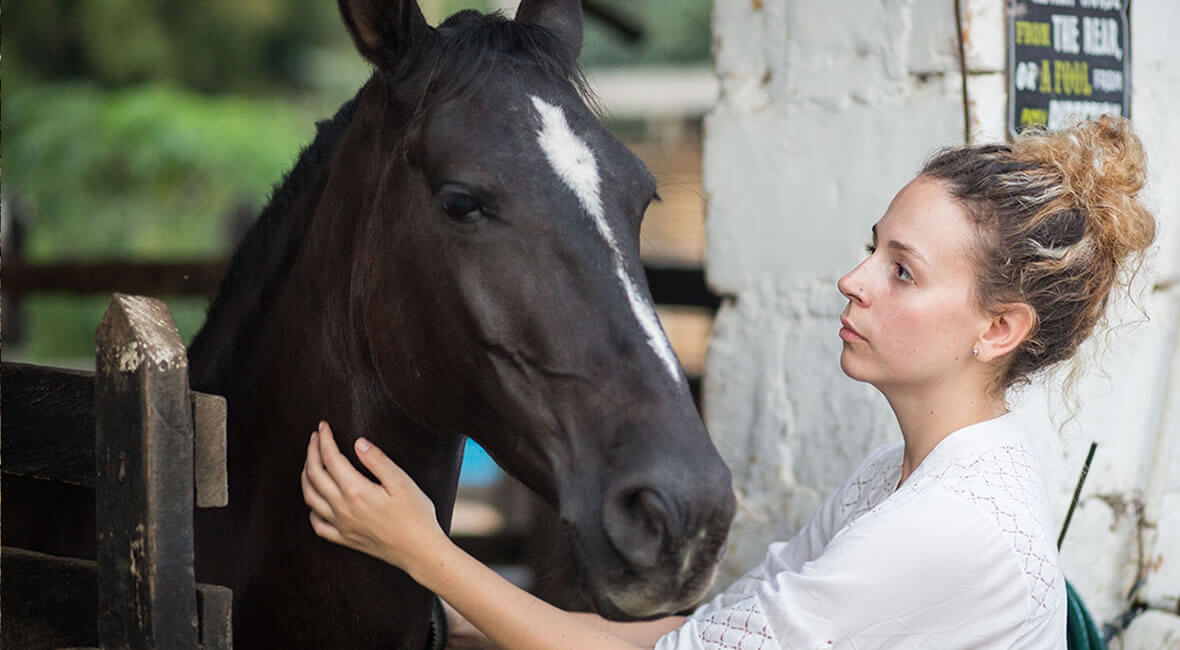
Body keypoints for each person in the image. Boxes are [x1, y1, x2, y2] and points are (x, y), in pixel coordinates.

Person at [300, 115, 1157, 649]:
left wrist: (423, 550)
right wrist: (469, 618)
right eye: (872, 248)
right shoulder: (895, 481)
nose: (852, 279)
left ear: (998, 329)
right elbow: (695, 636)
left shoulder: (947, 526)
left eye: (902, 271)